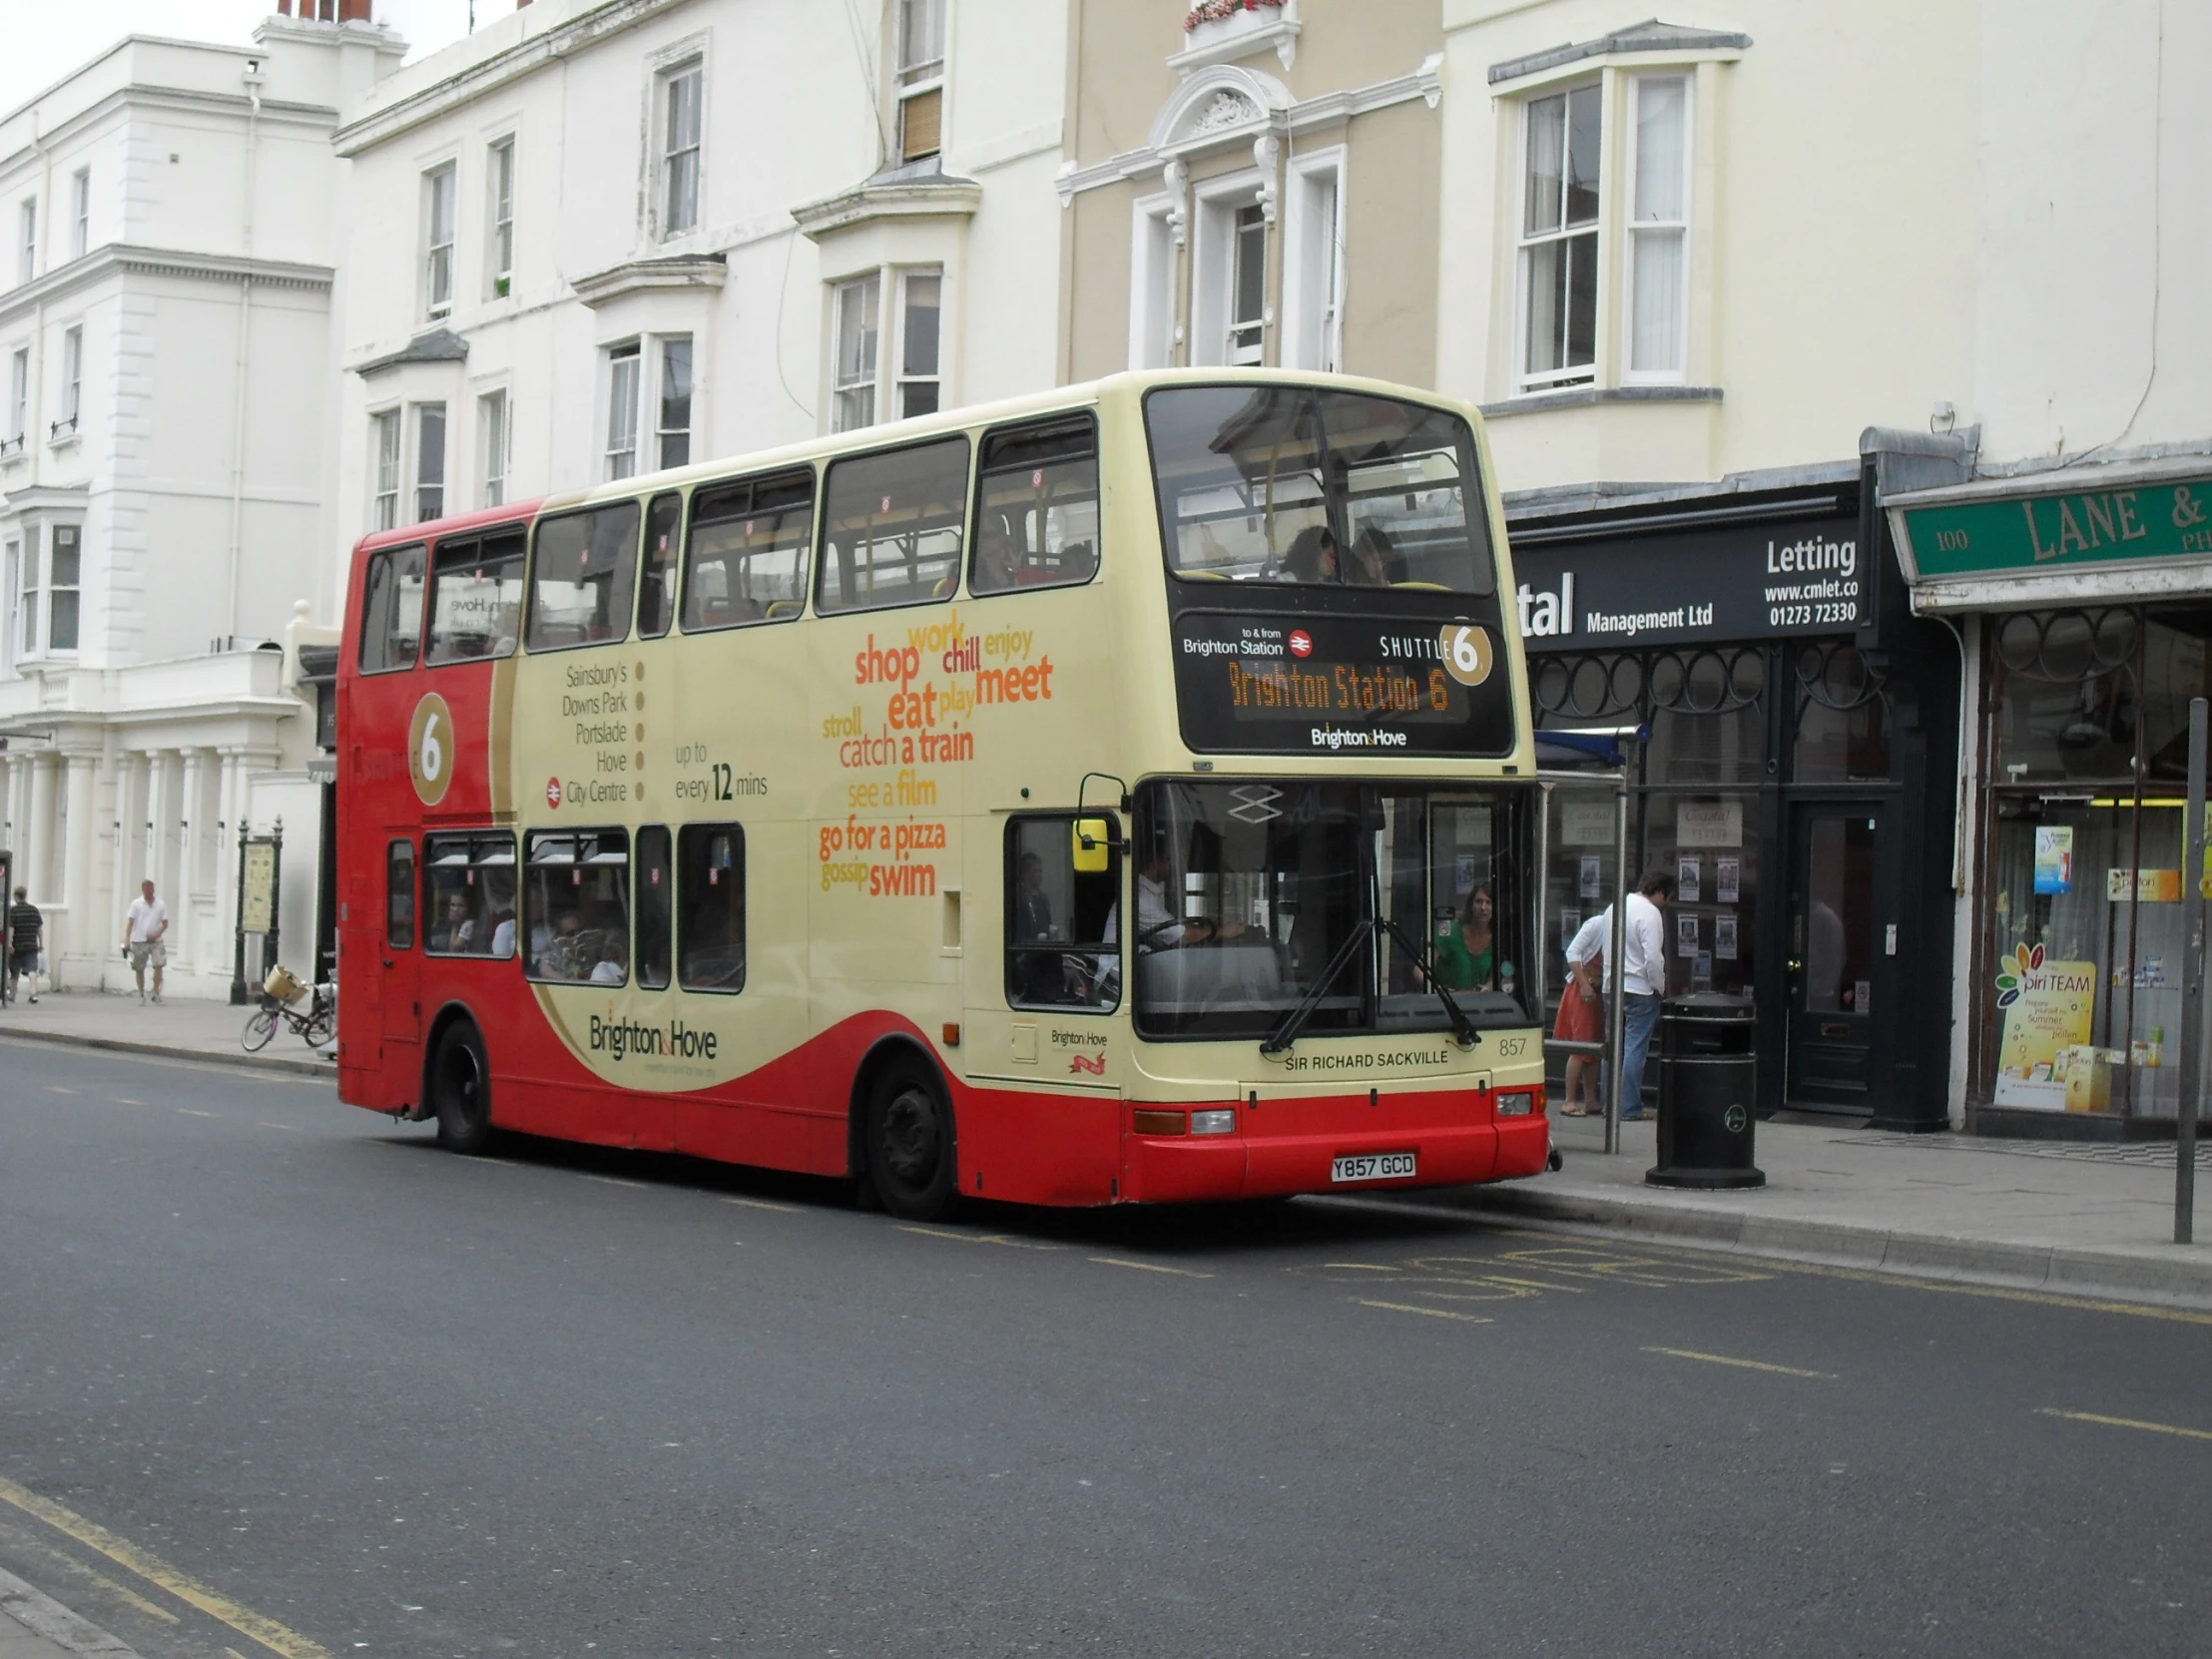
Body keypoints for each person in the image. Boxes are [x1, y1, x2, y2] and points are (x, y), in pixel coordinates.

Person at [1563, 868, 1674, 1120]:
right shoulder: (1650, 913)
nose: (1666, 904)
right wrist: (1660, 986)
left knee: (1613, 1048)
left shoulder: (1616, 906)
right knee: (1635, 1048)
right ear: (1658, 892)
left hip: (1612, 987)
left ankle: (1609, 1104)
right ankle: (1628, 1107)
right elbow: (1653, 958)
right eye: (1667, 898)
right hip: (1640, 989)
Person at [1552, 951, 1604, 1116]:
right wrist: (1585, 984)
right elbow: (1572, 952)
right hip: (1584, 990)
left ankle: (1590, 1099)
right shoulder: (1594, 926)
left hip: (1598, 988)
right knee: (1580, 1046)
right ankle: (1569, 1101)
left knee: (1594, 1046)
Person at [1432, 884, 1496, 991]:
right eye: (1478, 901)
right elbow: (1419, 970)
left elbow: (1498, 976)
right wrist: (1438, 989)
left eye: (1489, 902)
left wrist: (1488, 988)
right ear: (1471, 905)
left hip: (1482, 1004)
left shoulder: (1499, 937)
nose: (1483, 908)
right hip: (1448, 1003)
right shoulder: (1450, 930)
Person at [123, 878, 170, 1005]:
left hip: (155, 940)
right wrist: (127, 940)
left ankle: (155, 992)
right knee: (139, 968)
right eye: (147, 890)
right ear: (143, 890)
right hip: (139, 940)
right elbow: (130, 923)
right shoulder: (136, 904)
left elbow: (165, 923)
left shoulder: (160, 904)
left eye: (152, 890)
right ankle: (141, 994)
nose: (150, 892)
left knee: (159, 964)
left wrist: (156, 934)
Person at [7, 885, 41, 1005]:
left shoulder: (13, 911)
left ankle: (12, 995)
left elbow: (11, 928)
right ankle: (33, 994)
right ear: (25, 896)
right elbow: (39, 928)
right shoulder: (34, 910)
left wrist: (9, 943)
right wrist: (41, 943)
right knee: (32, 970)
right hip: (31, 945)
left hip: (17, 946)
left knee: (14, 972)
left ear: (16, 896)